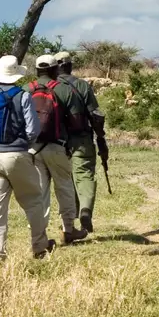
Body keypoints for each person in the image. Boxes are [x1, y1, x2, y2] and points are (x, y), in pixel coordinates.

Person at [0, 55, 54, 261]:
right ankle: (40, 246)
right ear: (15, 75)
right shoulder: (23, 95)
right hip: (17, 154)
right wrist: (23, 144)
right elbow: (33, 128)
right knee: (33, 200)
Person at [28, 54, 88, 245]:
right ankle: (68, 229)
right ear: (55, 70)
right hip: (57, 146)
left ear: (37, 71)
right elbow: (76, 122)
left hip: (33, 149)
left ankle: (39, 234)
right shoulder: (63, 89)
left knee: (40, 192)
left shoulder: (25, 90)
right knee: (64, 187)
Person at [55, 51, 108, 234]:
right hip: (82, 139)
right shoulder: (82, 86)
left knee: (65, 181)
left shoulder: (50, 87)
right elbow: (95, 114)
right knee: (84, 176)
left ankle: (69, 221)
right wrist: (101, 138)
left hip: (56, 142)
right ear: (70, 66)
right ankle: (85, 209)